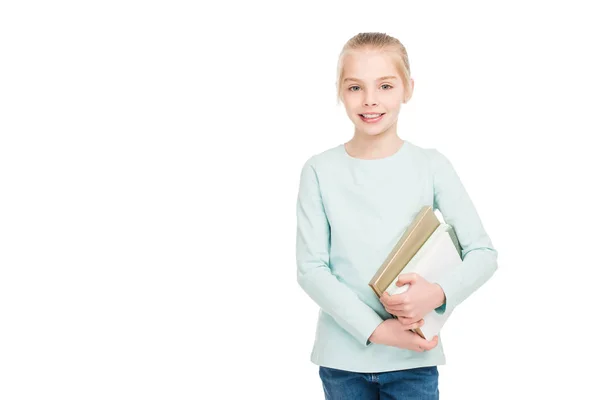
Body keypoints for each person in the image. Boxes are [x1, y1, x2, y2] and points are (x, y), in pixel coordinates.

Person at [295, 32, 499, 400]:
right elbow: (311, 269)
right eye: (355, 87)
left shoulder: (432, 166)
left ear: (408, 89)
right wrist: (377, 330)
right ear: (340, 91)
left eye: (385, 85)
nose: (370, 100)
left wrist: (436, 293)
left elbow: (483, 255)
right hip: (343, 364)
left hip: (412, 362)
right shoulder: (319, 170)